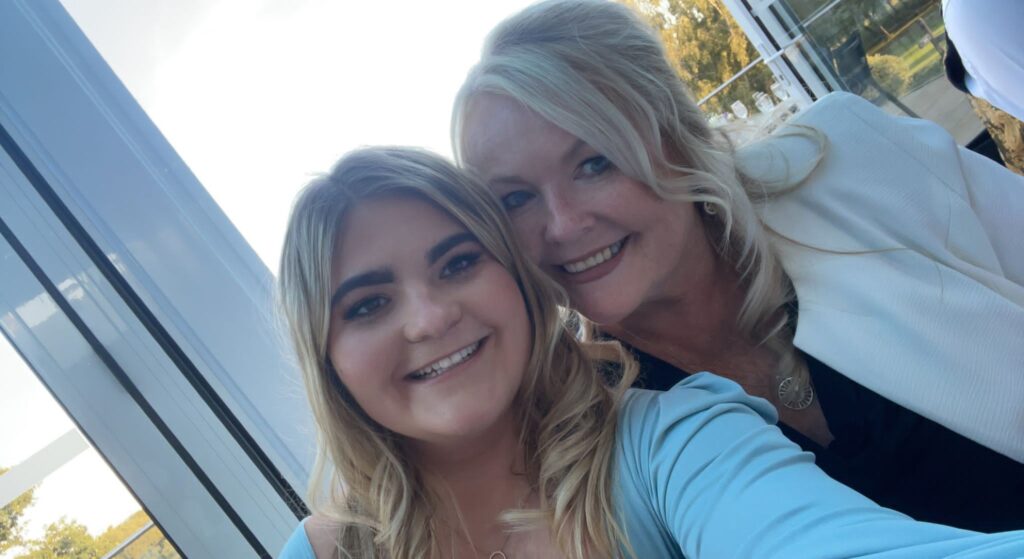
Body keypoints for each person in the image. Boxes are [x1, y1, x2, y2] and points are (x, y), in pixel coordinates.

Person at [276, 146, 1024, 558]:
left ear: (519, 282)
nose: (431, 316)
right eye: (367, 304)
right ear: (326, 357)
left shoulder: (677, 444)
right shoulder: (322, 552)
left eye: (459, 262)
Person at [452, 0, 1024, 532]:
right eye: (515, 198)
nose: (562, 225)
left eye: (594, 162)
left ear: (676, 132)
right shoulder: (589, 437)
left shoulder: (855, 160)